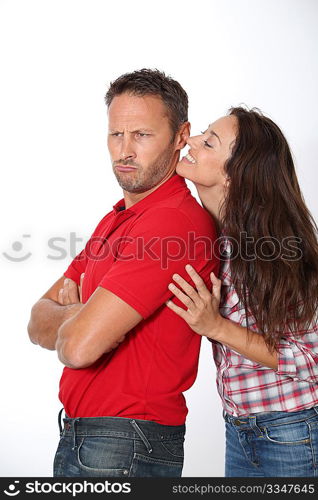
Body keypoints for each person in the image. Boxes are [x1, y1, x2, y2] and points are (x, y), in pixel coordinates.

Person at [27, 69, 219, 477]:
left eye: (142, 135)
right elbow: (35, 321)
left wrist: (77, 319)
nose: (125, 151)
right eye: (116, 135)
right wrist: (83, 319)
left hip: (126, 440)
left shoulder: (171, 223)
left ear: (180, 136)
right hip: (90, 435)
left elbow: (77, 349)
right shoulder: (116, 218)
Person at [166, 106, 318, 477]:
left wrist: (215, 326)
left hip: (291, 434)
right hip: (239, 430)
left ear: (235, 175)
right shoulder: (218, 242)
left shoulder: (276, 249)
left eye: (209, 141)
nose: (193, 141)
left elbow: (310, 362)